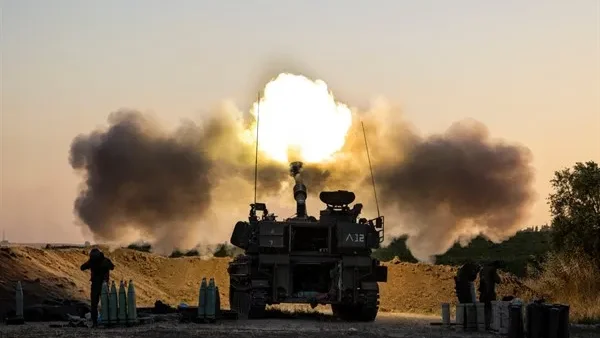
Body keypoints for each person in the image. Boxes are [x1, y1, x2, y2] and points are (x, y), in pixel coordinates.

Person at [80, 248, 115, 327]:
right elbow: (112, 267)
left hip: (98, 285)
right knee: (105, 304)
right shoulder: (105, 260)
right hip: (103, 285)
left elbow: (82, 267)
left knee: (94, 305)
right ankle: (106, 321)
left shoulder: (93, 261)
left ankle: (95, 322)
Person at [478, 260, 504, 330]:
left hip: (482, 292)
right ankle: (488, 325)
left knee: (483, 309)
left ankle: (482, 325)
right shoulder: (492, 270)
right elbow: (498, 280)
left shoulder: (483, 269)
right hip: (489, 292)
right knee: (490, 309)